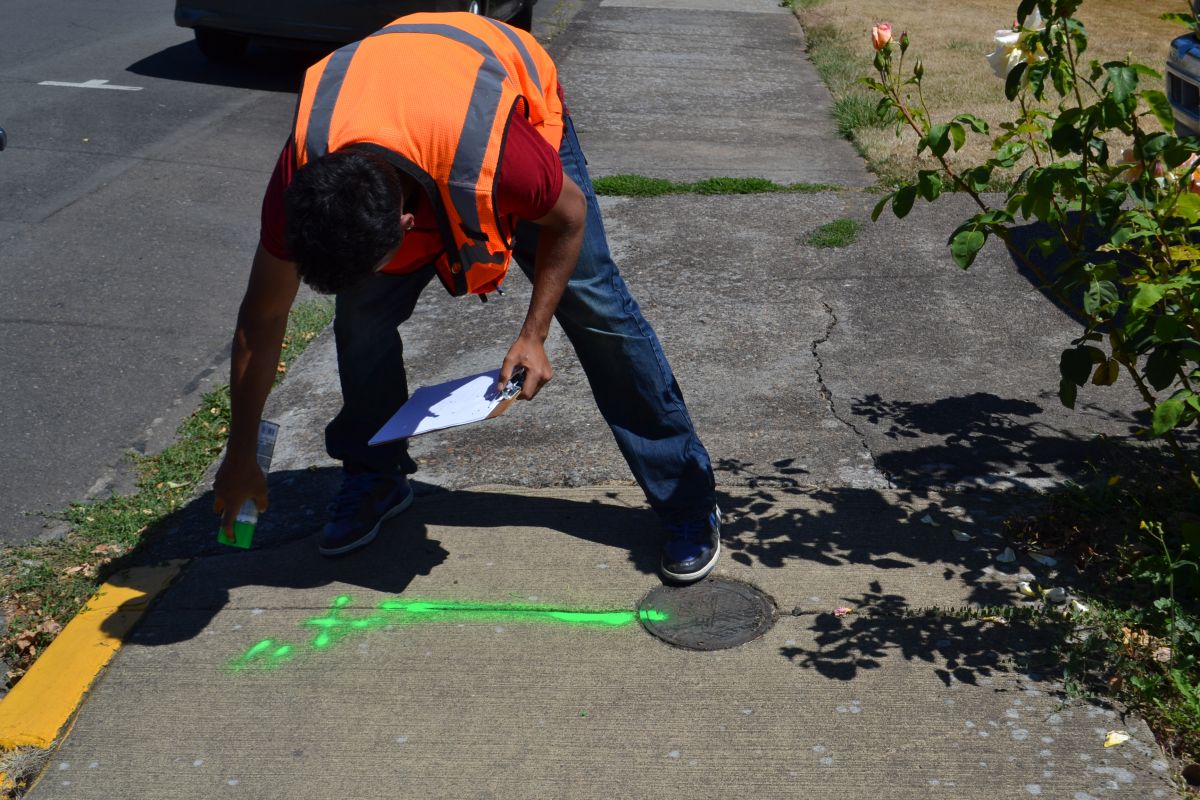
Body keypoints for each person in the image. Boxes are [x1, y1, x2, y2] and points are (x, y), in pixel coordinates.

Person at [212, 11, 720, 583]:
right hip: (396, 94)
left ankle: (686, 499)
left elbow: (569, 216)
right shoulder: (302, 180)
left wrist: (534, 333)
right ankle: (376, 475)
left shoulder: (499, 159)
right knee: (360, 319)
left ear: (407, 226)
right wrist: (241, 456)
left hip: (497, 92)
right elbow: (262, 318)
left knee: (597, 308)